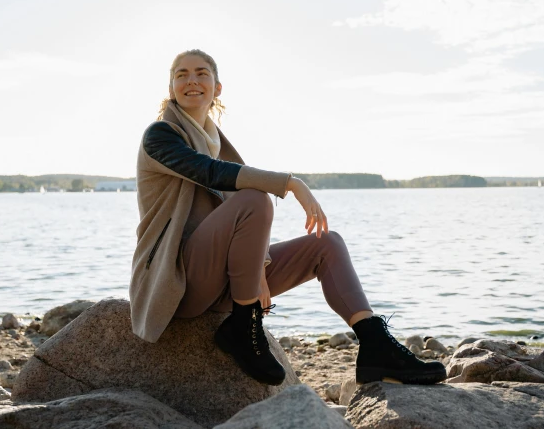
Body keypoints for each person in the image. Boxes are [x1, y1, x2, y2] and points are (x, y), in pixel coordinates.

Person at [129, 49, 446, 386]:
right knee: (256, 197)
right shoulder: (160, 136)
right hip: (179, 281)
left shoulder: (217, 142)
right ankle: (244, 326)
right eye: (181, 74)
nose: (191, 80)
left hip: (219, 281)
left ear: (217, 87)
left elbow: (236, 217)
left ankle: (376, 347)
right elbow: (211, 174)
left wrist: (258, 267)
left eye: (201, 72)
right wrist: (291, 184)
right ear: (171, 88)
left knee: (328, 244)